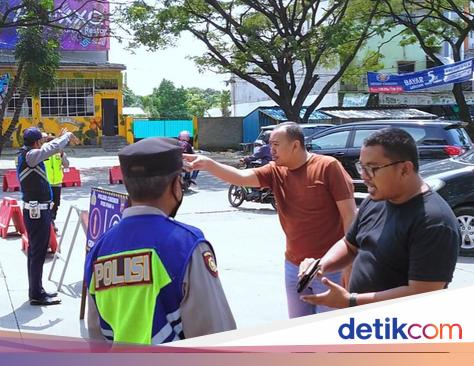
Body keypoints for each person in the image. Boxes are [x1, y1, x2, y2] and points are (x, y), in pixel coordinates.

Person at [185, 122, 357, 318]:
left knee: (329, 329)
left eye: (276, 144)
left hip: (330, 266)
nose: (270, 150)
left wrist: (349, 264)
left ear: (295, 145)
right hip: (293, 265)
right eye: (270, 144)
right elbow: (240, 177)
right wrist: (208, 164)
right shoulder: (275, 170)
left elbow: (350, 217)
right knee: (298, 327)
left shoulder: (328, 167)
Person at [85, 137, 236, 344]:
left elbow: (96, 333)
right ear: (176, 185)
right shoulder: (187, 245)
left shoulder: (100, 249)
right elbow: (215, 335)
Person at [299, 128, 459, 309]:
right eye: (362, 167)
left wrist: (352, 301)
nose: (364, 176)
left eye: (372, 168)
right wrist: (321, 266)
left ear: (405, 169)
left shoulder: (433, 221)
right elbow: (350, 244)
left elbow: (423, 291)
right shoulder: (376, 200)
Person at [18, 127, 78, 306]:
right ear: (36, 142)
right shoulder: (30, 156)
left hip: (38, 210)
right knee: (37, 253)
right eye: (41, 141)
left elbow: (50, 147)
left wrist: (59, 137)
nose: (43, 143)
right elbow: (49, 148)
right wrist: (66, 137)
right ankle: (36, 294)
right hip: (37, 212)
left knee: (36, 252)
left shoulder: (28, 154)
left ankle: (37, 290)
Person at [43, 134, 70, 232]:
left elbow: (66, 165)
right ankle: (48, 223)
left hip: (57, 183)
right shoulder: (43, 152)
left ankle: (52, 221)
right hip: (46, 183)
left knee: (56, 204)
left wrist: (62, 155)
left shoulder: (60, 153)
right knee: (46, 203)